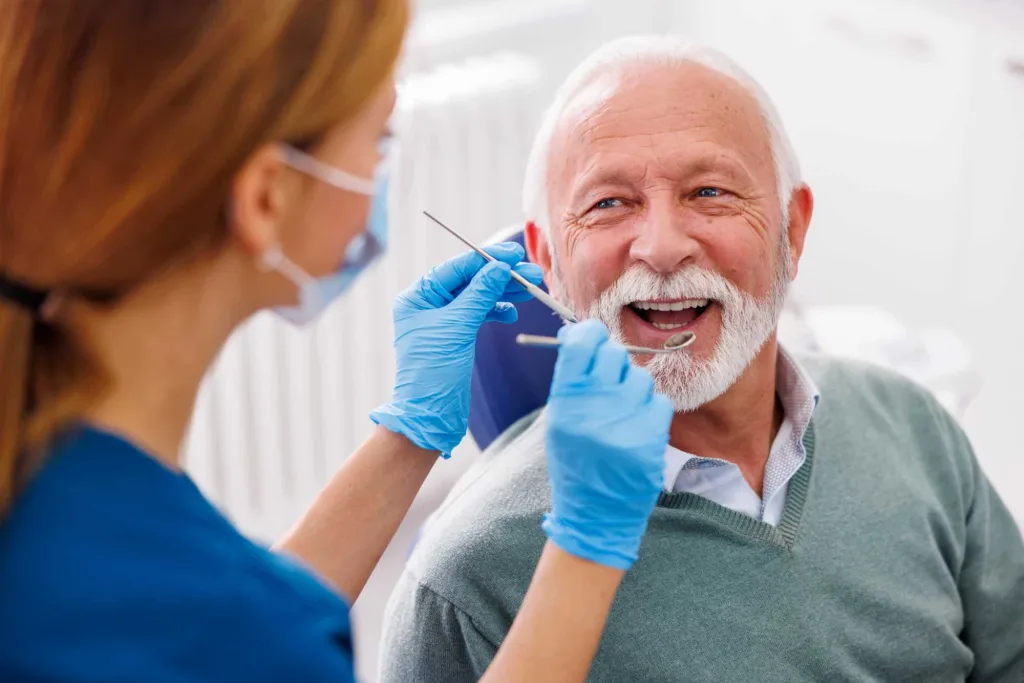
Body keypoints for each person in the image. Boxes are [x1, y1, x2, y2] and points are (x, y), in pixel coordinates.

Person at [0, 4, 677, 682]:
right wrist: (588, 545)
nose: (661, 245)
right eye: (379, 142)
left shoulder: (62, 479)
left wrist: (409, 431)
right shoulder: (228, 615)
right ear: (266, 197)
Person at [379, 36, 1024, 682]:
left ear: (792, 231)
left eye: (709, 192)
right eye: (608, 203)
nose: (661, 248)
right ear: (546, 261)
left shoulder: (916, 427)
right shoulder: (467, 585)